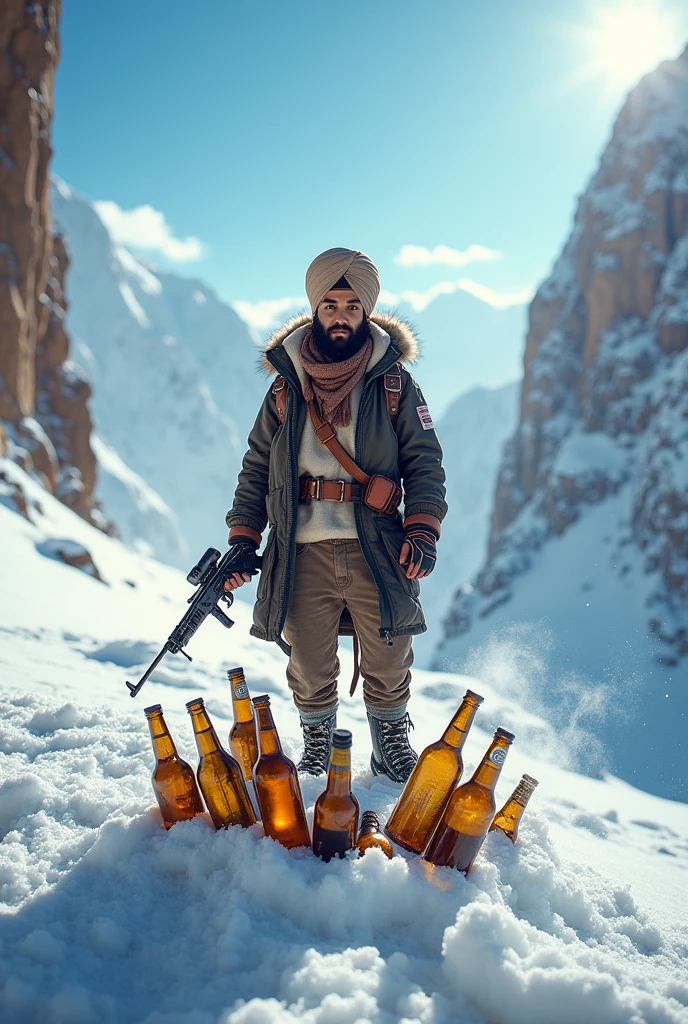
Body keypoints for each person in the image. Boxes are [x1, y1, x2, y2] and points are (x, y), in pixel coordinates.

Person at [224, 248, 447, 782]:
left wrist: (422, 527)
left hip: (378, 545)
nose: (340, 314)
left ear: (366, 309)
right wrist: (242, 537)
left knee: (391, 654)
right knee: (307, 659)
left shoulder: (394, 384)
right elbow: (257, 465)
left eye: (351, 304)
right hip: (301, 548)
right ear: (315, 308)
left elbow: (425, 460)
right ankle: (318, 742)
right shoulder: (284, 385)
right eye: (330, 303)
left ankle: (389, 741)